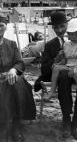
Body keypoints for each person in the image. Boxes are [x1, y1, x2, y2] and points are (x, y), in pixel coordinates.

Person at [34, 11, 77, 141]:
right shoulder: (50, 45)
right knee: (64, 75)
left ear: (67, 24)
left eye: (62, 26)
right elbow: (44, 69)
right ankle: (66, 119)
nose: (60, 30)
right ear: (52, 28)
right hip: (63, 75)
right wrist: (56, 59)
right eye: (56, 27)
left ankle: (75, 122)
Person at [0, 13, 36, 141]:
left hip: (10, 76)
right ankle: (4, 126)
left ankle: (16, 124)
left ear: (5, 27)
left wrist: (13, 70)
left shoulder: (11, 44)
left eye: (1, 25)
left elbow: (20, 62)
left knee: (16, 84)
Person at [44, 18, 77, 111]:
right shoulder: (66, 45)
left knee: (76, 73)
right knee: (56, 68)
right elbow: (66, 59)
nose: (72, 36)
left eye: (75, 34)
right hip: (69, 65)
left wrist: (76, 67)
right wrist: (59, 62)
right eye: (70, 34)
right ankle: (52, 91)